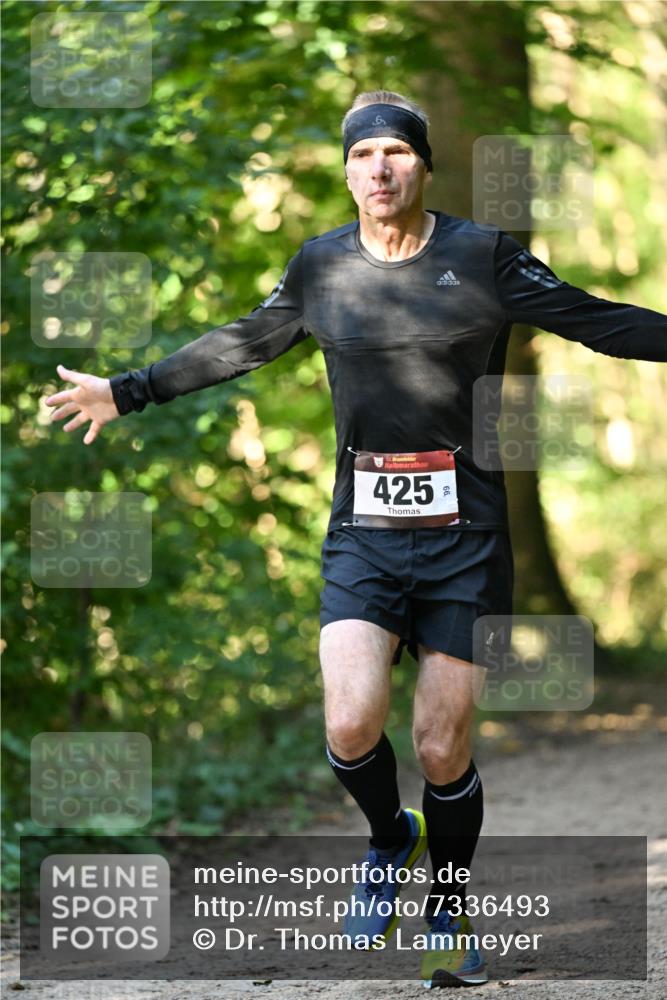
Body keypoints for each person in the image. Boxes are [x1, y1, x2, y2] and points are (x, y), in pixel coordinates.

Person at [46, 90, 667, 988]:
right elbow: (241, 343)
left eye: (396, 153)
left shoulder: (480, 256)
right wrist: (128, 388)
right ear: (345, 171)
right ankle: (389, 837)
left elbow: (597, 318)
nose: (379, 169)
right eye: (362, 154)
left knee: (442, 748)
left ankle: (448, 911)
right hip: (363, 535)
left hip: (465, 534)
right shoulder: (319, 269)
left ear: (422, 164)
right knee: (348, 723)